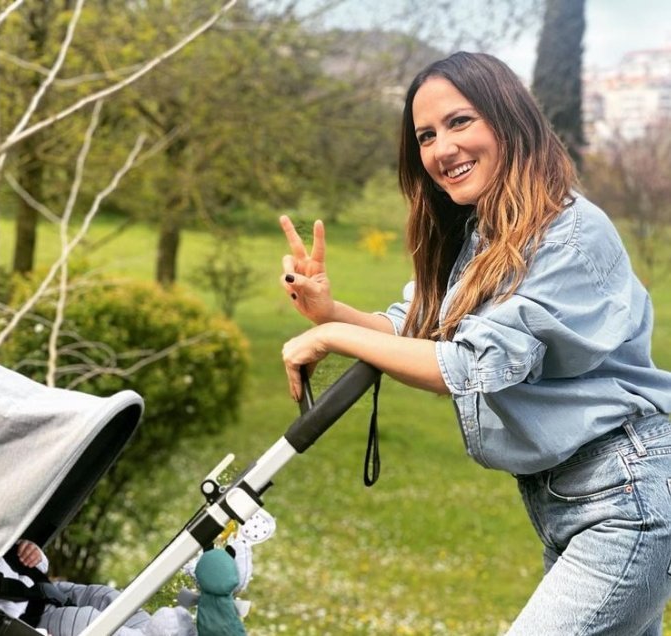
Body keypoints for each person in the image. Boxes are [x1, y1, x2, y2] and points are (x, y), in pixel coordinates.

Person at [278, 50, 671, 635]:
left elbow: (465, 364)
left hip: (626, 498)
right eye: (426, 135)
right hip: (575, 502)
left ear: (508, 118)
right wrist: (329, 311)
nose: (441, 149)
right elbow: (419, 329)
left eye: (460, 122)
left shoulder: (570, 233)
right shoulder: (488, 236)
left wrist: (336, 336)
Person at [0, 540, 196, 636]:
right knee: (90, 623)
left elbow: (34, 562)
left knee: (109, 598)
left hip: (49, 592)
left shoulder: (5, 545)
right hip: (29, 619)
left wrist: (33, 552)